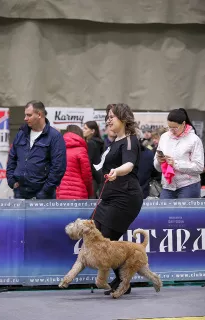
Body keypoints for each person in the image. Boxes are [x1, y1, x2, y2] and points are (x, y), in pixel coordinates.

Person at [92, 103, 143, 295]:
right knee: (97, 235)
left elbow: (129, 164)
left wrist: (116, 171)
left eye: (112, 116)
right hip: (110, 197)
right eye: (107, 116)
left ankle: (123, 281)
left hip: (126, 197)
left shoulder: (130, 140)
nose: (108, 119)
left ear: (123, 118)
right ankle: (122, 278)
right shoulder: (115, 141)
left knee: (107, 238)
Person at [7, 100, 66, 199]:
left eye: (29, 115)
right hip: (20, 193)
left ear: (39, 114)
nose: (25, 118)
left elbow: (58, 167)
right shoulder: (21, 134)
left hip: (43, 195)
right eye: (25, 115)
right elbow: (12, 158)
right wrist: (11, 181)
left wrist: (45, 191)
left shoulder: (54, 136)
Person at [154, 108, 204, 199]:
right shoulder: (164, 137)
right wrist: (159, 161)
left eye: (175, 128)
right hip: (167, 186)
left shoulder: (194, 139)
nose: (172, 130)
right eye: (169, 127)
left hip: (188, 185)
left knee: (185, 213)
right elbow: (158, 168)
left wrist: (175, 164)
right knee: (164, 213)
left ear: (184, 124)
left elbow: (199, 167)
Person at [56, 125, 93, 199]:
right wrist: (90, 192)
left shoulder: (58, 149)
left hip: (60, 192)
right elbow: (86, 175)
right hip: (78, 193)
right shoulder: (81, 150)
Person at [82, 121, 104, 197]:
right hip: (99, 176)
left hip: (92, 177)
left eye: (85, 128)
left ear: (92, 131)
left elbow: (88, 161)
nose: (83, 130)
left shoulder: (91, 143)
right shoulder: (99, 142)